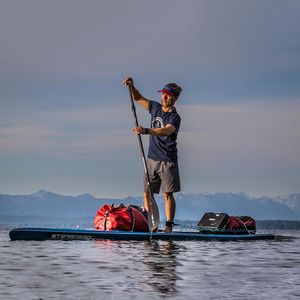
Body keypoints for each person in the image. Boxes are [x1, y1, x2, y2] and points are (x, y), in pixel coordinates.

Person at [123, 77, 182, 232]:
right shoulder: (155, 107)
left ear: (175, 98)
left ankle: (169, 226)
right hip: (151, 159)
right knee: (147, 193)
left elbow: (166, 130)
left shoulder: (175, 118)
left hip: (167, 161)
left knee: (167, 194)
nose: (164, 97)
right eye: (163, 94)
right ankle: (151, 225)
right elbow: (138, 98)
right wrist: (132, 86)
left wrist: (146, 131)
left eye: (168, 95)